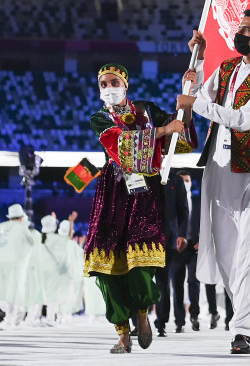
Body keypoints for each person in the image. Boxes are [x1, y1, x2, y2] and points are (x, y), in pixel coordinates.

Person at [176, 9, 250, 355]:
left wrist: (196, 102)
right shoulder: (226, 68)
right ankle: (246, 312)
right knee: (223, 250)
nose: (239, 33)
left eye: (246, 29)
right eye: (239, 27)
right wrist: (199, 64)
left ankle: (241, 329)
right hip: (218, 165)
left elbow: (244, 119)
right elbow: (204, 100)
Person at [83, 62, 197, 354]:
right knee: (107, 266)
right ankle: (122, 332)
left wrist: (187, 100)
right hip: (113, 192)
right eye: (103, 84)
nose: (109, 88)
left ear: (126, 84)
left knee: (142, 261)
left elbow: (180, 140)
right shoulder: (99, 118)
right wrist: (162, 130)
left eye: (113, 82)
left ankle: (144, 311)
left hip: (145, 192)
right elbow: (119, 144)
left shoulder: (146, 110)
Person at [170, 170, 222, 332]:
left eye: (187, 180)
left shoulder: (199, 202)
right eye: (182, 180)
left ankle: (194, 315)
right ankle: (179, 321)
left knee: (194, 282)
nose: (185, 183)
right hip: (176, 249)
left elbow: (208, 223)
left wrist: (203, 241)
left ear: (191, 183)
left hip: (194, 248)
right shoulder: (171, 202)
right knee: (177, 285)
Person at [154, 166, 188, 336]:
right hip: (142, 237)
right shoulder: (141, 174)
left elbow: (183, 209)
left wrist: (182, 234)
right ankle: (138, 320)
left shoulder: (175, 180)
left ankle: (161, 321)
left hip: (167, 238)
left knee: (162, 282)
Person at [0, 203, 36, 328]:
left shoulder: (0, 226)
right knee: (14, 291)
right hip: (15, 264)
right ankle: (10, 318)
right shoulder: (22, 227)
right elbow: (31, 243)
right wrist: (22, 256)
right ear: (21, 217)